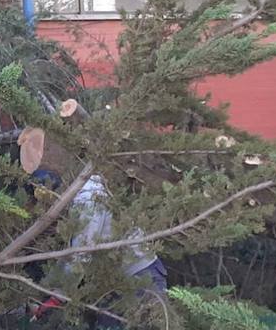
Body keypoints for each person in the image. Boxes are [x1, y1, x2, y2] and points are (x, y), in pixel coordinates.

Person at [18, 127, 167, 316]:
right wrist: (46, 288)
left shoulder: (88, 197)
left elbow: (81, 252)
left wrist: (56, 296)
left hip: (140, 278)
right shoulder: (76, 197)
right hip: (113, 282)